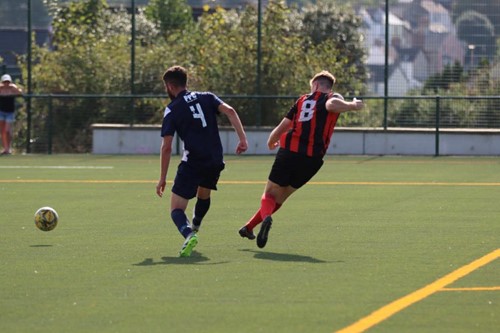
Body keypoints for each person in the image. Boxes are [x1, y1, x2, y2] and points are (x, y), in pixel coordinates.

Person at [238, 70, 364, 248]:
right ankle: (249, 227)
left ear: (316, 84)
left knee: (269, 193)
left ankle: (266, 218)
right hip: (313, 160)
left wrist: (271, 141)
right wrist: (352, 105)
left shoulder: (303, 100)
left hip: (290, 151)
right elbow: (332, 105)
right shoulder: (332, 97)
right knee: (281, 197)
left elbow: (285, 124)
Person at [156, 66, 248, 257]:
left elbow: (166, 147)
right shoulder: (207, 96)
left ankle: (189, 234)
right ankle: (196, 223)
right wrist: (242, 139)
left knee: (176, 209)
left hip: (192, 163)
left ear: (170, 86)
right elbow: (230, 111)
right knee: (203, 194)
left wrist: (162, 178)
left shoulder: (172, 109)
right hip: (215, 159)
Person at [0, 74, 23, 155]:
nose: (6, 84)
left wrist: (13, 88)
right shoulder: (0, 88)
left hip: (10, 112)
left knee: (7, 130)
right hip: (1, 112)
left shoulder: (12, 88)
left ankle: (8, 148)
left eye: (8, 82)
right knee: (2, 131)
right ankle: (5, 149)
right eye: (5, 82)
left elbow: (20, 92)